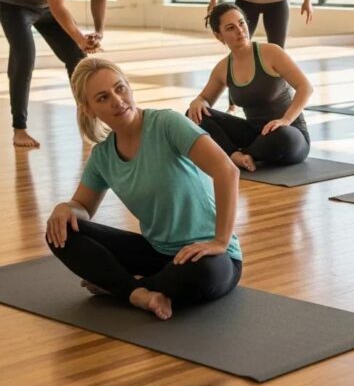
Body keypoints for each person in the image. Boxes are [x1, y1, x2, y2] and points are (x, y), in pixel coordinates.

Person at [46, 58, 243, 320]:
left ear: (129, 87)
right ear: (89, 108)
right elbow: (82, 208)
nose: (117, 100)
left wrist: (220, 241)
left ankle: (125, 286)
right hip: (157, 252)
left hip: (210, 256)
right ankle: (140, 292)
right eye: (103, 97)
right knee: (60, 232)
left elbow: (227, 171)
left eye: (120, 88)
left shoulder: (167, 124)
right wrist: (65, 208)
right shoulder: (102, 156)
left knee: (202, 273)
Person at [0, 0, 108, 147]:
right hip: (12, 3)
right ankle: (20, 129)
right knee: (24, 56)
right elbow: (58, 5)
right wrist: (80, 37)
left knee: (77, 58)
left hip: (43, 7)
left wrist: (99, 32)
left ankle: (89, 122)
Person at [187, 3, 312, 172]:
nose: (240, 30)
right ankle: (237, 156)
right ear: (219, 35)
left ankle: (235, 154)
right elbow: (205, 100)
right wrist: (197, 101)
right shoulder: (223, 68)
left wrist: (285, 120)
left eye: (241, 23)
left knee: (282, 137)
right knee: (194, 115)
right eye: (230, 28)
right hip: (254, 135)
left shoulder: (271, 52)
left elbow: (305, 87)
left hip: (289, 134)